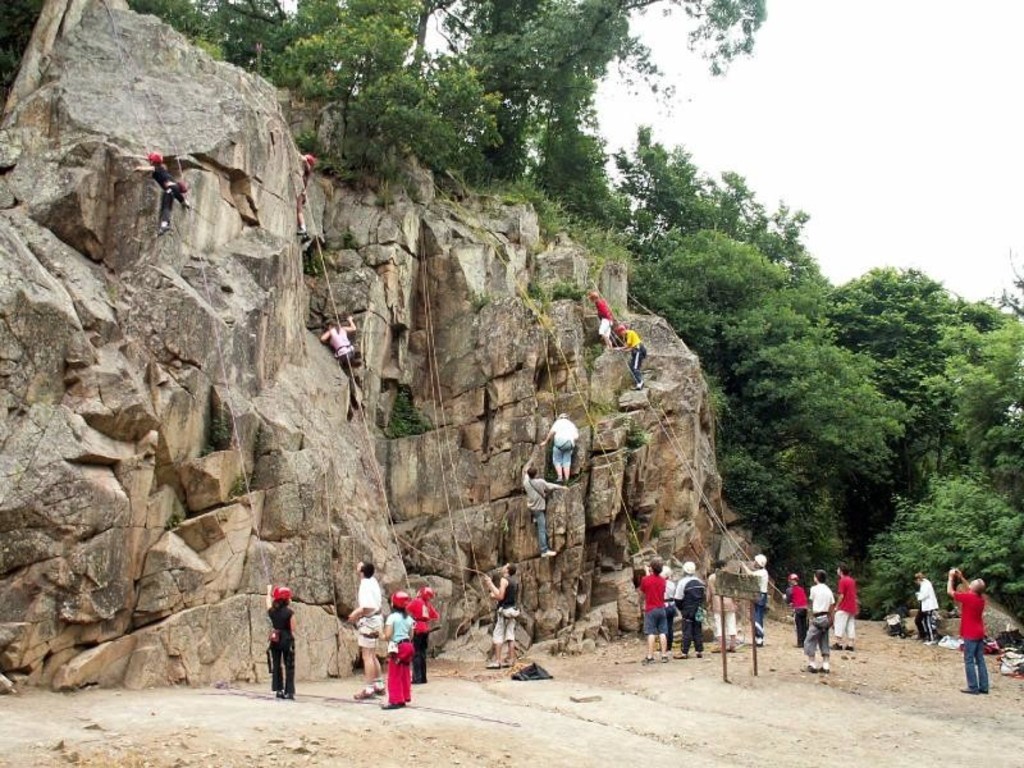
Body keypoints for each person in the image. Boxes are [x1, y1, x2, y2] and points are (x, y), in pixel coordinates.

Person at [946, 568, 989, 694]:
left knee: (969, 660)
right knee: (980, 659)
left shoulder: (968, 598)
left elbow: (950, 592)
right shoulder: (981, 598)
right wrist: (962, 577)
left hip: (970, 633)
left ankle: (973, 687)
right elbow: (971, 588)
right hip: (979, 632)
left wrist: (950, 577)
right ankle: (984, 686)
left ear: (973, 588)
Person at [348, 561, 385, 700]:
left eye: (360, 565)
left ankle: (369, 688)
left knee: (367, 656)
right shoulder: (373, 581)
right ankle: (379, 684)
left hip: (369, 621)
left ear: (362, 571)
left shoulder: (365, 585)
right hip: (377, 619)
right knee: (373, 654)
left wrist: (355, 614)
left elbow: (367, 607)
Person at [139, 152, 190, 236]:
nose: (149, 161)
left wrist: (138, 168)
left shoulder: (156, 168)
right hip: (174, 186)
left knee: (166, 205)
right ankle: (184, 201)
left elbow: (147, 168)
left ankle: (164, 225)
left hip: (171, 187)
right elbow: (147, 158)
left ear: (153, 162)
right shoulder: (161, 167)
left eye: (150, 160)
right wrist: (140, 156)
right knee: (172, 192)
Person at [381, 591, 415, 710]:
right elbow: (411, 635)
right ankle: (404, 697)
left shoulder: (392, 617)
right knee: (405, 673)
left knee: (394, 673)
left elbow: (388, 635)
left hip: (398, 647)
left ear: (393, 604)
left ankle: (395, 700)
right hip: (408, 646)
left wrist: (382, 635)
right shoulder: (409, 618)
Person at [523, 461, 563, 557]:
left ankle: (535, 518)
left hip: (531, 507)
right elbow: (550, 486)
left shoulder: (526, 481)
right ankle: (544, 550)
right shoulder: (540, 482)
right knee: (541, 529)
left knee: (536, 516)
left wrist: (529, 463)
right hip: (538, 509)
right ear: (536, 474)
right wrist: (562, 487)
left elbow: (525, 471)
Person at [484, 564, 519, 669]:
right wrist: (494, 594)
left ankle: (498, 661)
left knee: (498, 636)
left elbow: (500, 596)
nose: (503, 566)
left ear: (507, 570)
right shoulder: (515, 581)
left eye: (505, 566)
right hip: (512, 611)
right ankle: (511, 660)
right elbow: (505, 596)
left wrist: (490, 584)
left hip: (504, 612)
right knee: (510, 636)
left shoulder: (504, 580)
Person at [266, 584, 296, 700]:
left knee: (277, 665)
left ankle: (279, 690)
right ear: (286, 599)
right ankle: (289, 692)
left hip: (275, 638)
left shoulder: (272, 611)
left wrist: (268, 591)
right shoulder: (290, 613)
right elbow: (293, 628)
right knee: (289, 665)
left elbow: (268, 602)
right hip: (287, 639)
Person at [804, 569, 835, 674]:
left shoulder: (814, 589)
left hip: (817, 617)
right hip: (826, 618)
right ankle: (826, 665)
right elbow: (831, 605)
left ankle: (812, 664)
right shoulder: (829, 590)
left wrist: (810, 616)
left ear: (816, 578)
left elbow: (811, 602)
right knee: (824, 640)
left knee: (810, 640)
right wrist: (832, 620)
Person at [407, 586, 440, 684]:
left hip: (418, 629)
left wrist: (415, 599)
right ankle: (423, 678)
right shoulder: (428, 604)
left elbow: (407, 607)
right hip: (426, 629)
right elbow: (436, 616)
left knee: (416, 654)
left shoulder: (417, 601)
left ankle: (417, 678)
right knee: (422, 654)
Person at [638, 558, 669, 664]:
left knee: (650, 633)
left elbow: (642, 593)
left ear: (651, 568)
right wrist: (649, 571)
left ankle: (650, 656)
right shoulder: (663, 580)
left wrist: (641, 603)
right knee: (663, 632)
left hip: (650, 609)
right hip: (661, 608)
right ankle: (664, 655)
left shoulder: (645, 580)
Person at [673, 561, 706, 659]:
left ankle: (684, 652)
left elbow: (678, 598)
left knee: (687, 630)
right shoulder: (700, 582)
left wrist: (681, 608)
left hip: (687, 609)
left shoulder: (682, 582)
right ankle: (699, 650)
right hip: (699, 608)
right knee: (698, 629)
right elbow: (703, 596)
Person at [707, 561, 738, 653]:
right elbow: (733, 591)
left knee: (719, 624)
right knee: (731, 623)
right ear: (722, 567)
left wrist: (708, 602)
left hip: (717, 603)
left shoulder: (712, 577)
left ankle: (722, 645)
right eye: (726, 566)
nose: (727, 567)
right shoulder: (729, 577)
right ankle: (733, 645)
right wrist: (736, 602)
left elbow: (709, 592)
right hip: (729, 602)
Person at [539, 413, 579, 482]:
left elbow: (551, 432)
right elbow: (576, 437)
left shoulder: (558, 422)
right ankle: (566, 479)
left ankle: (560, 477)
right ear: (567, 418)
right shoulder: (572, 424)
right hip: (570, 444)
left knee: (557, 459)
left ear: (560, 418)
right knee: (567, 461)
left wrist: (545, 441)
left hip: (560, 443)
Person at [745, 554, 770, 647]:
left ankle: (759, 638)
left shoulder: (762, 572)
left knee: (757, 617)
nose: (754, 563)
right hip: (760, 595)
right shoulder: (763, 572)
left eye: (755, 562)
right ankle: (758, 638)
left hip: (760, 595)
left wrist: (744, 567)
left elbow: (751, 575)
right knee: (756, 616)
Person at [833, 564, 858, 652]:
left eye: (838, 569)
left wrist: (837, 606)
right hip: (852, 606)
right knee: (850, 625)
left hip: (844, 606)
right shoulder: (852, 580)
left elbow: (841, 595)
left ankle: (838, 643)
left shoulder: (842, 581)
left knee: (839, 623)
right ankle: (850, 644)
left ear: (841, 571)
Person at [615, 323, 647, 390]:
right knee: (631, 367)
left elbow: (627, 346)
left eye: (621, 332)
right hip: (635, 351)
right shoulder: (627, 336)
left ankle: (640, 382)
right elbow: (629, 347)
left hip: (639, 351)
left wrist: (619, 348)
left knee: (635, 368)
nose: (621, 334)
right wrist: (623, 349)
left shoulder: (630, 333)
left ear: (623, 330)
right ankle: (639, 381)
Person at [914, 571, 939, 645]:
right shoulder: (925, 583)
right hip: (926, 606)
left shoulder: (925, 585)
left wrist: (918, 595)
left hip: (929, 606)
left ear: (918, 580)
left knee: (928, 622)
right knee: (925, 621)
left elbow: (923, 595)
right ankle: (928, 637)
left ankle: (932, 638)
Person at [785, 573, 809, 647]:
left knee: (799, 627)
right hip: (805, 609)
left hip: (798, 610)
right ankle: (804, 642)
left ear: (791, 581)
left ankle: (800, 643)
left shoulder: (789, 590)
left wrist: (784, 598)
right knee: (804, 626)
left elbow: (788, 601)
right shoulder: (801, 589)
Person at [296, 153, 315, 242]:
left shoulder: (308, 168)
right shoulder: (307, 171)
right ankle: (305, 234)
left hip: (301, 192)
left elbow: (304, 160)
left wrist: (300, 156)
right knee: (299, 211)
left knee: (299, 210)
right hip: (302, 192)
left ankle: (303, 229)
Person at [662, 566, 677, 654]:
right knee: (670, 627)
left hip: (663, 604)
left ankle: (664, 647)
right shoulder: (672, 584)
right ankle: (669, 647)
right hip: (671, 605)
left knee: (662, 627)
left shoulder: (660, 583)